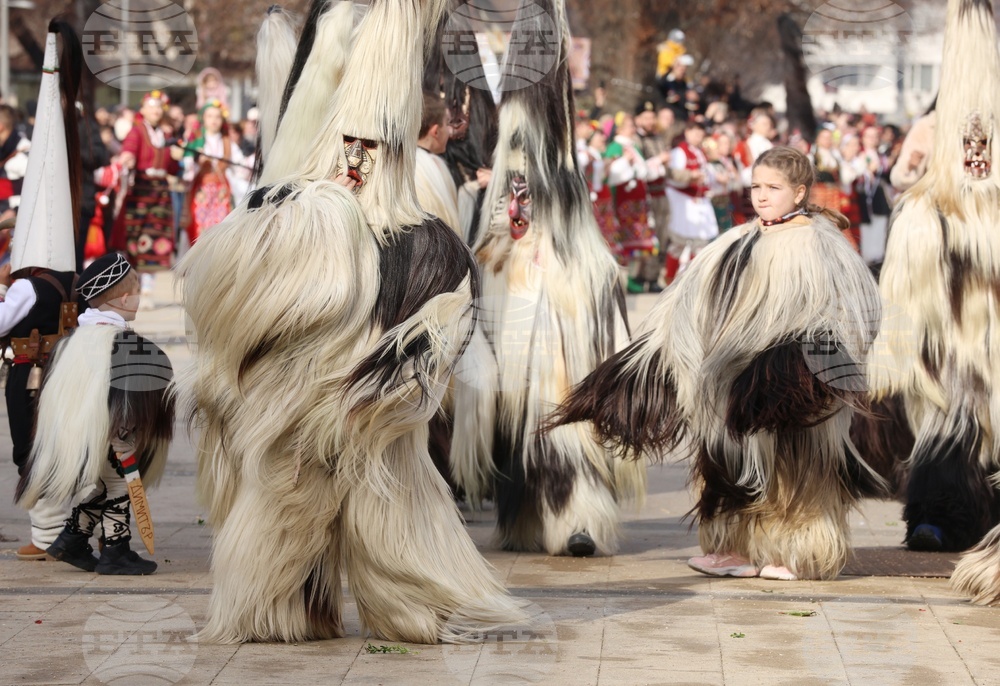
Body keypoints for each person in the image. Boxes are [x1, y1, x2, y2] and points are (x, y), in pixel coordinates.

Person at [175, 1, 522, 643]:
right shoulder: (366, 218)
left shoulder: (310, 210)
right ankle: (338, 604)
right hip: (339, 368)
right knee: (346, 475)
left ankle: (292, 606)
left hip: (334, 366)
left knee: (314, 475)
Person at [549, 146, 882, 581]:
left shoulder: (824, 246)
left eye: (773, 187)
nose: (761, 196)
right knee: (726, 462)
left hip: (794, 384)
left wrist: (803, 365)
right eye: (756, 186)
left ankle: (798, 550)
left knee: (796, 465)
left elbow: (852, 314)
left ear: (800, 192)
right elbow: (685, 303)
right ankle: (732, 547)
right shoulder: (734, 241)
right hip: (728, 383)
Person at [451, 0, 644, 558]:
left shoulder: (552, 179)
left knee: (559, 419)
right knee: (520, 420)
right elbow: (503, 233)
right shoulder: (532, 178)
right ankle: (528, 518)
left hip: (551, 312)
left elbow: (526, 233)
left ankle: (574, 519)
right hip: (521, 304)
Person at [16, 253, 173, 575]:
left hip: (86, 434)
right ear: (126, 299)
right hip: (115, 437)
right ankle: (116, 550)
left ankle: (72, 539)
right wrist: (125, 439)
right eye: (137, 292)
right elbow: (128, 400)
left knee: (104, 487)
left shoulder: (70, 342)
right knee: (119, 487)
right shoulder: (125, 344)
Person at [112, 91, 183, 292]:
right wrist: (127, 158)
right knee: (135, 236)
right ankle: (132, 282)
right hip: (141, 190)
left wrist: (177, 158)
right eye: (151, 106)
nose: (156, 110)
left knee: (155, 234)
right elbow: (129, 150)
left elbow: (171, 168)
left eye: (159, 106)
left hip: (161, 191)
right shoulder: (137, 131)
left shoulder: (166, 135)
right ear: (142, 110)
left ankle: (148, 285)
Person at [605, 113, 655, 292]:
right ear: (619, 129)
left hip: (637, 200)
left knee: (637, 239)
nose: (633, 129)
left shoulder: (633, 146)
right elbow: (612, 174)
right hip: (623, 200)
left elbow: (643, 170)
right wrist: (626, 162)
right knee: (624, 238)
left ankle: (634, 277)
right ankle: (623, 279)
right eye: (629, 126)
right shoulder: (615, 147)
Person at [184, 100, 245, 245]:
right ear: (203, 118)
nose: (214, 120)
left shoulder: (227, 141)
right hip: (201, 190)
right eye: (210, 116)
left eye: (217, 117)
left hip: (221, 192)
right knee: (199, 226)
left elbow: (239, 165)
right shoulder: (196, 139)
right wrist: (197, 162)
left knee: (221, 226)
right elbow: (187, 163)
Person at [664, 119, 718, 282]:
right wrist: (690, 177)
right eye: (695, 133)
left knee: (700, 242)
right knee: (679, 242)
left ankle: (693, 279)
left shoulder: (700, 152)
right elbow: (673, 177)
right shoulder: (679, 152)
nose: (698, 137)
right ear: (687, 132)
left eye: (700, 134)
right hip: (684, 201)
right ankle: (670, 277)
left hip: (699, 201)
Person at [413, 93, 461, 235]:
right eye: (447, 123)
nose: (449, 131)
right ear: (435, 131)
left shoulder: (401, 164)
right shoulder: (434, 168)